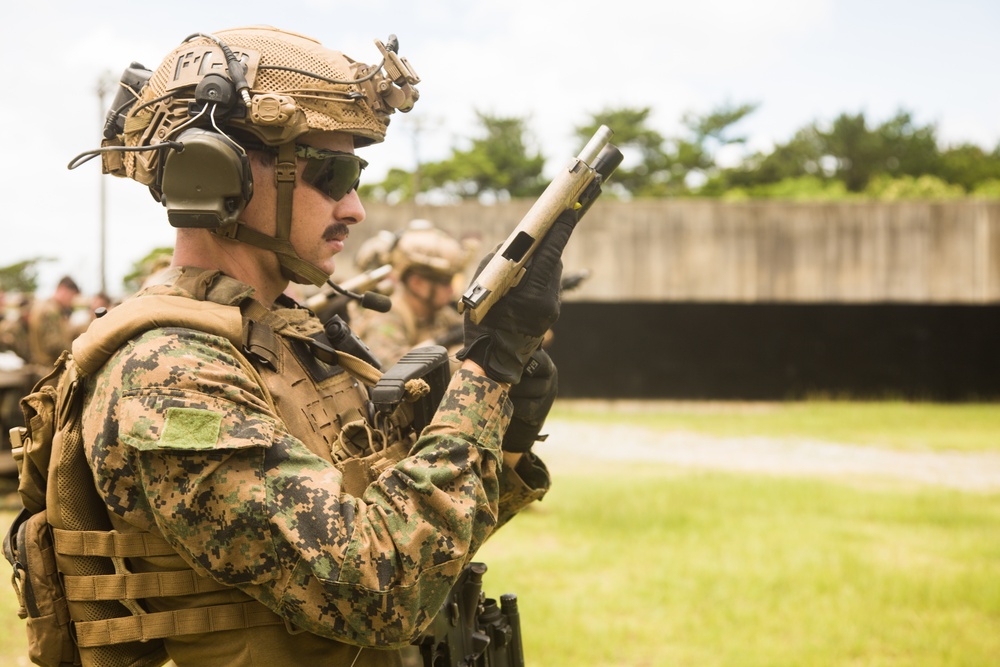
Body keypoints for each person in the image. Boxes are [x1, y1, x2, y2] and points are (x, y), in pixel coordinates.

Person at [59, 25, 568, 666]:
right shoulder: (169, 375)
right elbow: (381, 586)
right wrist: (484, 377)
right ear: (221, 171)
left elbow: (423, 541)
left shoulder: (285, 341)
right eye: (333, 172)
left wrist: (508, 437)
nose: (354, 207)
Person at [349, 221, 470, 369]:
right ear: (417, 283)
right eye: (445, 282)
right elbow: (395, 371)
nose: (452, 290)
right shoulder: (384, 317)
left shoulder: (441, 314)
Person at [27, 274, 80, 367]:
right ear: (63, 289)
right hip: (49, 370)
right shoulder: (50, 310)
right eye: (71, 296)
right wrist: (78, 351)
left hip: (44, 367)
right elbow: (53, 345)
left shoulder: (46, 306)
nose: (71, 301)